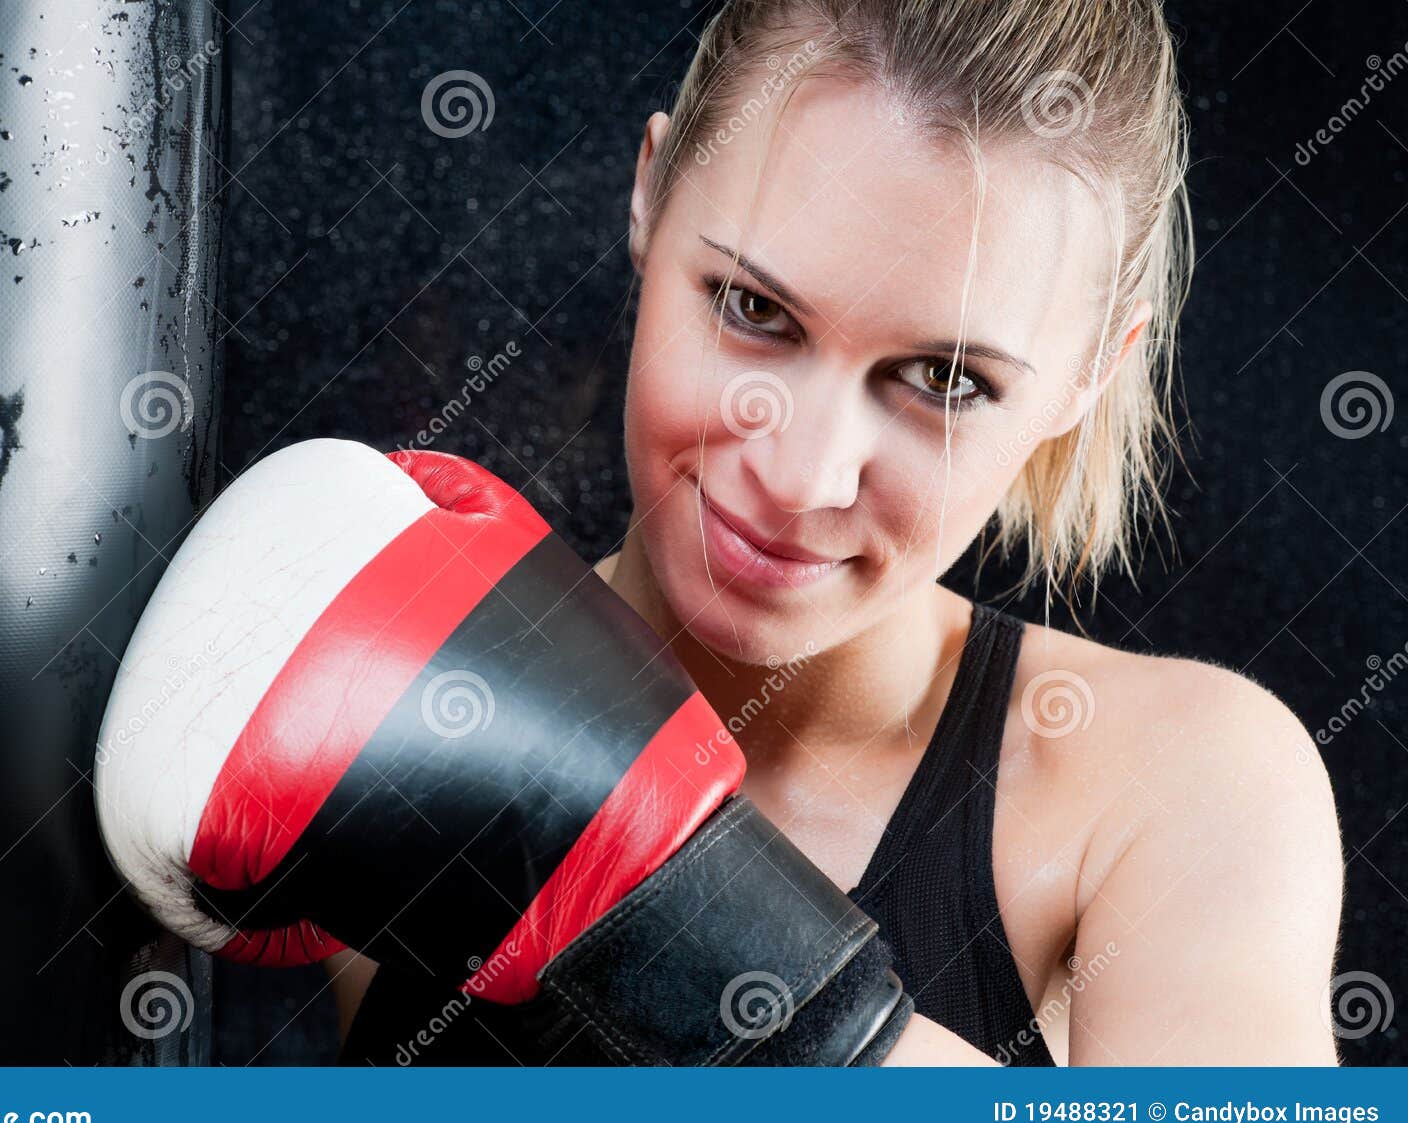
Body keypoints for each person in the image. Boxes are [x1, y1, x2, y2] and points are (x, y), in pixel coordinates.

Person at [330, 0, 1343, 1064]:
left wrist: (645, 889)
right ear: (649, 190)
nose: (801, 473)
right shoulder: (404, 718)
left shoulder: (1172, 787)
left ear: (1093, 368)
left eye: (945, 379)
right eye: (753, 309)